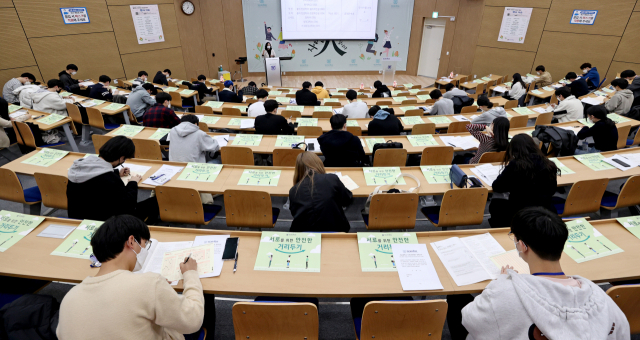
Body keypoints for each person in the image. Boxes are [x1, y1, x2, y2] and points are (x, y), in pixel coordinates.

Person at [460, 207, 630, 340]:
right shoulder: (599, 295)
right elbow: (622, 331)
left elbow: (470, 320)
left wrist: (500, 282)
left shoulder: (504, 292)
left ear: (522, 246)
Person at [57, 215, 206, 340]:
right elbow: (192, 320)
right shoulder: (149, 284)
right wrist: (190, 274)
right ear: (131, 241)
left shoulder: (69, 298)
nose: (145, 250)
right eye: (145, 244)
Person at [66, 136, 160, 222]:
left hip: (78, 218)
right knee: (154, 202)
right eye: (125, 159)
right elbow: (128, 206)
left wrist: (116, 174)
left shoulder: (79, 167)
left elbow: (95, 180)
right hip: (108, 222)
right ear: (121, 157)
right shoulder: (110, 179)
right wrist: (133, 182)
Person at [489, 134, 558, 228]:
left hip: (520, 211)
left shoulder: (516, 165)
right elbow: (552, 190)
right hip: (544, 209)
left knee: (496, 202)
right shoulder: (549, 164)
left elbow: (497, 186)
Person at [289, 152, 353, 232]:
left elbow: (294, 213)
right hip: (336, 228)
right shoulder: (332, 179)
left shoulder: (294, 190)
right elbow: (347, 199)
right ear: (318, 163)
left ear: (298, 169)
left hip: (305, 233)